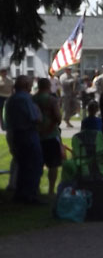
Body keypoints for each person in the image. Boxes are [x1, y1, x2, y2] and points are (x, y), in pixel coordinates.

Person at [4, 76, 44, 204]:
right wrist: (38, 112)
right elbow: (35, 118)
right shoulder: (26, 99)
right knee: (34, 165)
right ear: (26, 85)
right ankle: (31, 195)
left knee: (22, 165)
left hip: (16, 134)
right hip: (28, 134)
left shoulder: (10, 100)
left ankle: (20, 194)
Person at [33, 78, 62, 196]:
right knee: (53, 164)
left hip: (36, 134)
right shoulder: (51, 100)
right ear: (48, 86)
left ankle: (36, 188)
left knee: (37, 164)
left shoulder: (32, 99)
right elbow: (58, 118)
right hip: (51, 135)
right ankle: (51, 189)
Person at [0, 66, 12, 131]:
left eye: (5, 72)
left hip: (8, 97)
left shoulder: (9, 80)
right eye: (3, 72)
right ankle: (3, 126)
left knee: (8, 111)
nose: (4, 73)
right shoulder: (0, 79)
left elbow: (12, 89)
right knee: (1, 112)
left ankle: (8, 124)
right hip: (1, 97)